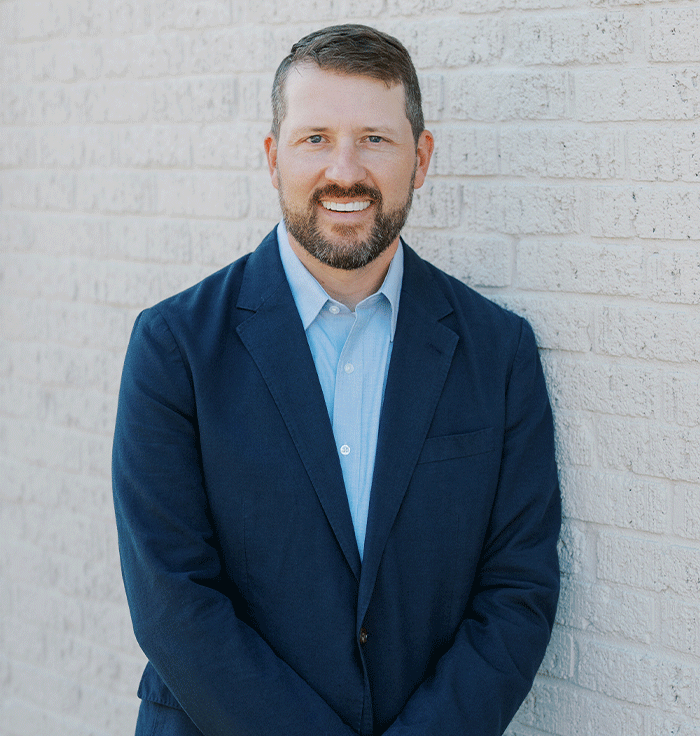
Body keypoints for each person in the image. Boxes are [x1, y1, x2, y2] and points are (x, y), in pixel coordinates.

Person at [112, 24, 560, 736]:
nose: (343, 170)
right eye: (314, 137)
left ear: (422, 157)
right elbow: (173, 601)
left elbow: (517, 592)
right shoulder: (175, 348)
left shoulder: (497, 351)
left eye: (375, 139)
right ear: (272, 157)